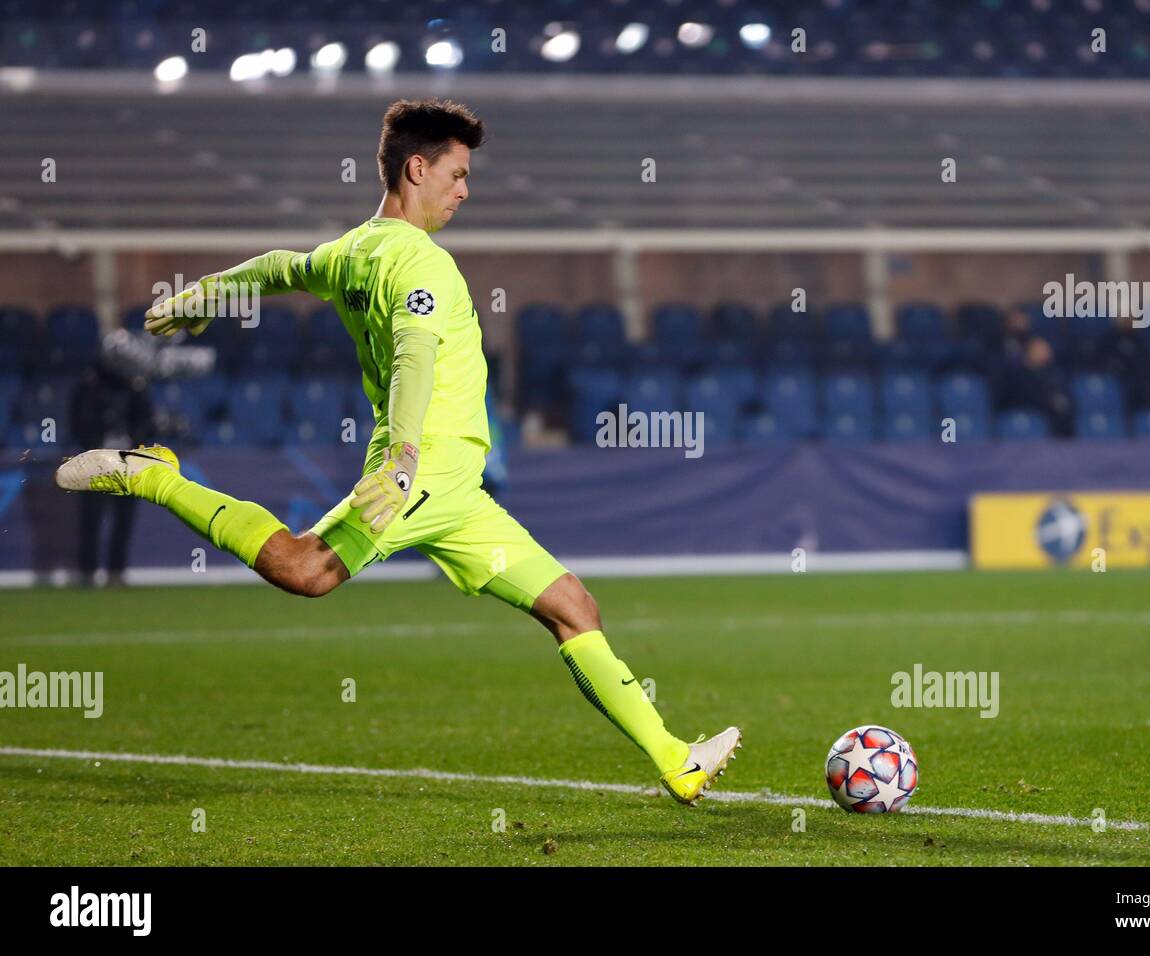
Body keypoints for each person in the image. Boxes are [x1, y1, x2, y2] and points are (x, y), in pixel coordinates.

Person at [55, 98, 740, 805]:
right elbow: (415, 354)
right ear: (418, 168)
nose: (465, 190)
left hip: (457, 490)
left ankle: (673, 760)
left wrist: (208, 293)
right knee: (304, 569)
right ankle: (159, 479)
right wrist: (405, 459)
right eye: (458, 174)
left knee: (573, 606)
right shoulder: (421, 262)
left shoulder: (352, 251)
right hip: (422, 471)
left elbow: (282, 267)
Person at [69, 359, 153, 586]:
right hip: (94, 462)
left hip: (127, 464)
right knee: (91, 519)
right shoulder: (89, 386)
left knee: (123, 520)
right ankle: (87, 572)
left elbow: (146, 422)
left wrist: (135, 444)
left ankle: (116, 571)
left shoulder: (136, 388)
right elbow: (78, 422)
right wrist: (95, 445)